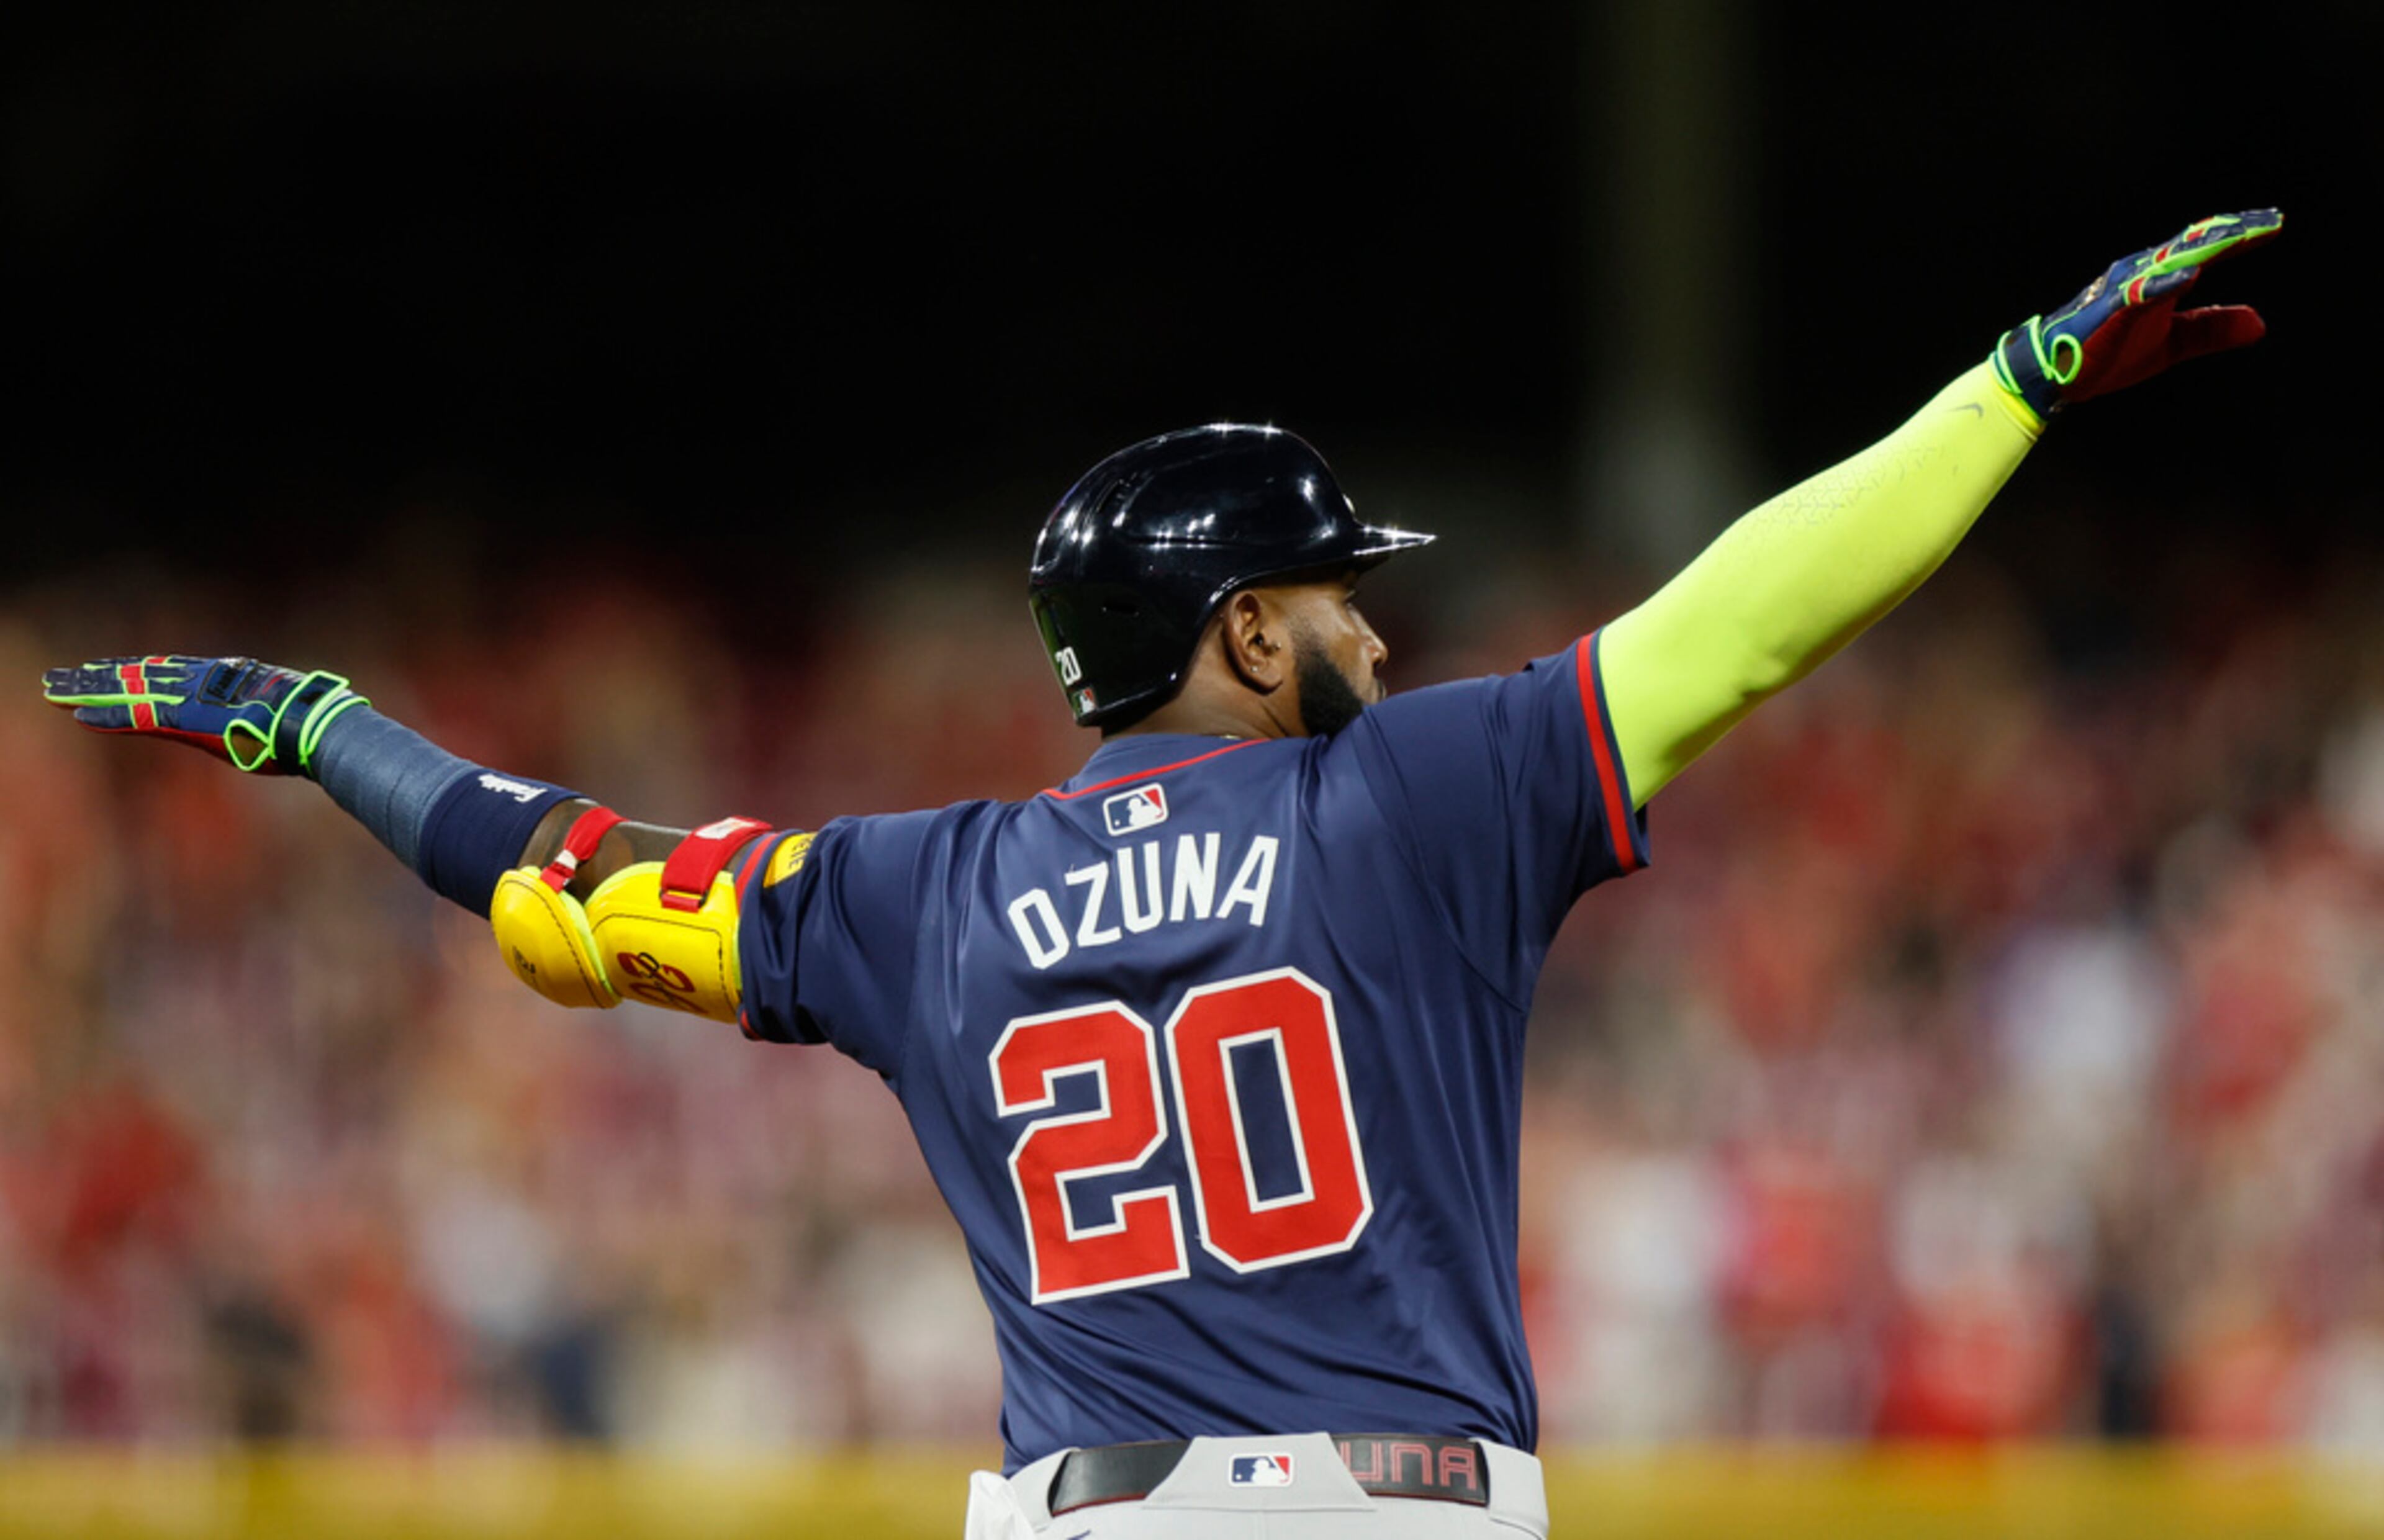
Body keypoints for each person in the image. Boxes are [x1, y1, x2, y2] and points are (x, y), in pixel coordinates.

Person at [44, 211, 2280, 1538]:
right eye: (1330, 596)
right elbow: (1751, 614)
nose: (1373, 632)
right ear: (1238, 631)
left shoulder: (910, 888)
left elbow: (556, 882)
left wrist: (318, 724)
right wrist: (2023, 381)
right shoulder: (1412, 793)